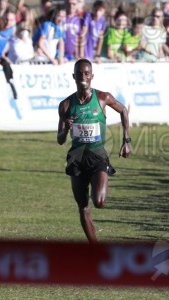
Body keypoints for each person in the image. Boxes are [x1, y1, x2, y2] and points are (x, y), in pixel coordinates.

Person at [57, 58, 131, 243]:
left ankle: (98, 182)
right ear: (73, 76)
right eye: (79, 73)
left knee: (99, 201)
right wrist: (66, 127)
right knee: (83, 206)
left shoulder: (102, 98)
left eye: (86, 73)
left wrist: (126, 140)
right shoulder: (66, 105)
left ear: (92, 76)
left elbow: (123, 110)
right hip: (76, 157)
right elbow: (60, 140)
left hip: (97, 155)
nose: (83, 76)